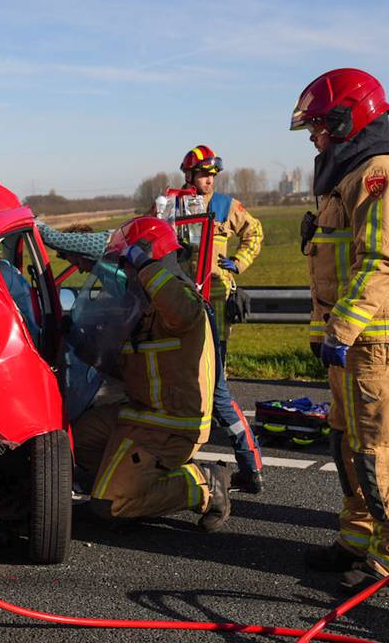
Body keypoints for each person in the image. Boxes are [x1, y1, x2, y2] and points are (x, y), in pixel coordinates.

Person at [291, 68, 389, 593]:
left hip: (378, 339)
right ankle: (359, 538)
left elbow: (382, 259)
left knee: (383, 451)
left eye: (319, 125)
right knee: (348, 442)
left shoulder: (380, 171)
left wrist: (342, 328)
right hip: (354, 339)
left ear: (347, 118)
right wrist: (328, 330)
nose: (313, 136)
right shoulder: (349, 173)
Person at [71, 216, 232, 531]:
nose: (126, 272)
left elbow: (182, 310)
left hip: (171, 423)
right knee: (77, 439)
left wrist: (145, 264)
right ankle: (135, 486)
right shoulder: (142, 308)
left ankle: (204, 483)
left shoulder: (182, 300)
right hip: (139, 414)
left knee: (108, 506)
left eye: (128, 264)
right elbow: (132, 364)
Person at [178, 146, 266, 494]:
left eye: (213, 176)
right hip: (182, 303)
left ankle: (248, 463)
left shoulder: (226, 206)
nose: (209, 181)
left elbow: (254, 233)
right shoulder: (173, 206)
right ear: (189, 176)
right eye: (203, 175)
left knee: (216, 384)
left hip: (215, 302)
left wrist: (238, 263)